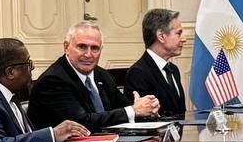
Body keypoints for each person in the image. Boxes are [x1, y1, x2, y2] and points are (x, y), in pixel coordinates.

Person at [28, 23, 160, 132]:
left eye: (95, 48)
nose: (88, 54)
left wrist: (147, 108)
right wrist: (133, 110)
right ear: (66, 47)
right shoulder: (53, 81)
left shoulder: (102, 75)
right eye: (82, 47)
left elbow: (125, 108)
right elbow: (82, 122)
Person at [125, 9, 187, 117]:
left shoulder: (173, 69)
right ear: (161, 36)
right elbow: (144, 119)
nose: (184, 39)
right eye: (179, 33)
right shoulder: (138, 73)